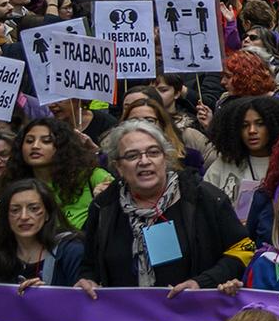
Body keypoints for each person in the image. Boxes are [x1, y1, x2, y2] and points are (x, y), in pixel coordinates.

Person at [79, 120, 254, 295]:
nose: (144, 161)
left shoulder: (203, 197)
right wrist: (88, 281)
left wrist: (202, 282)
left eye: (153, 152)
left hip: (191, 314)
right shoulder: (104, 206)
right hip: (125, 316)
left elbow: (245, 249)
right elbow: (89, 265)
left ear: (165, 157)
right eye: (132, 156)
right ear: (118, 166)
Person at [0, 178, 84, 289]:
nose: (24, 217)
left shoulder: (70, 251)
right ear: (5, 216)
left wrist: (44, 296)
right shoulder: (1, 252)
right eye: (15, 210)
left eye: (33, 208)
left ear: (48, 213)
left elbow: (82, 302)